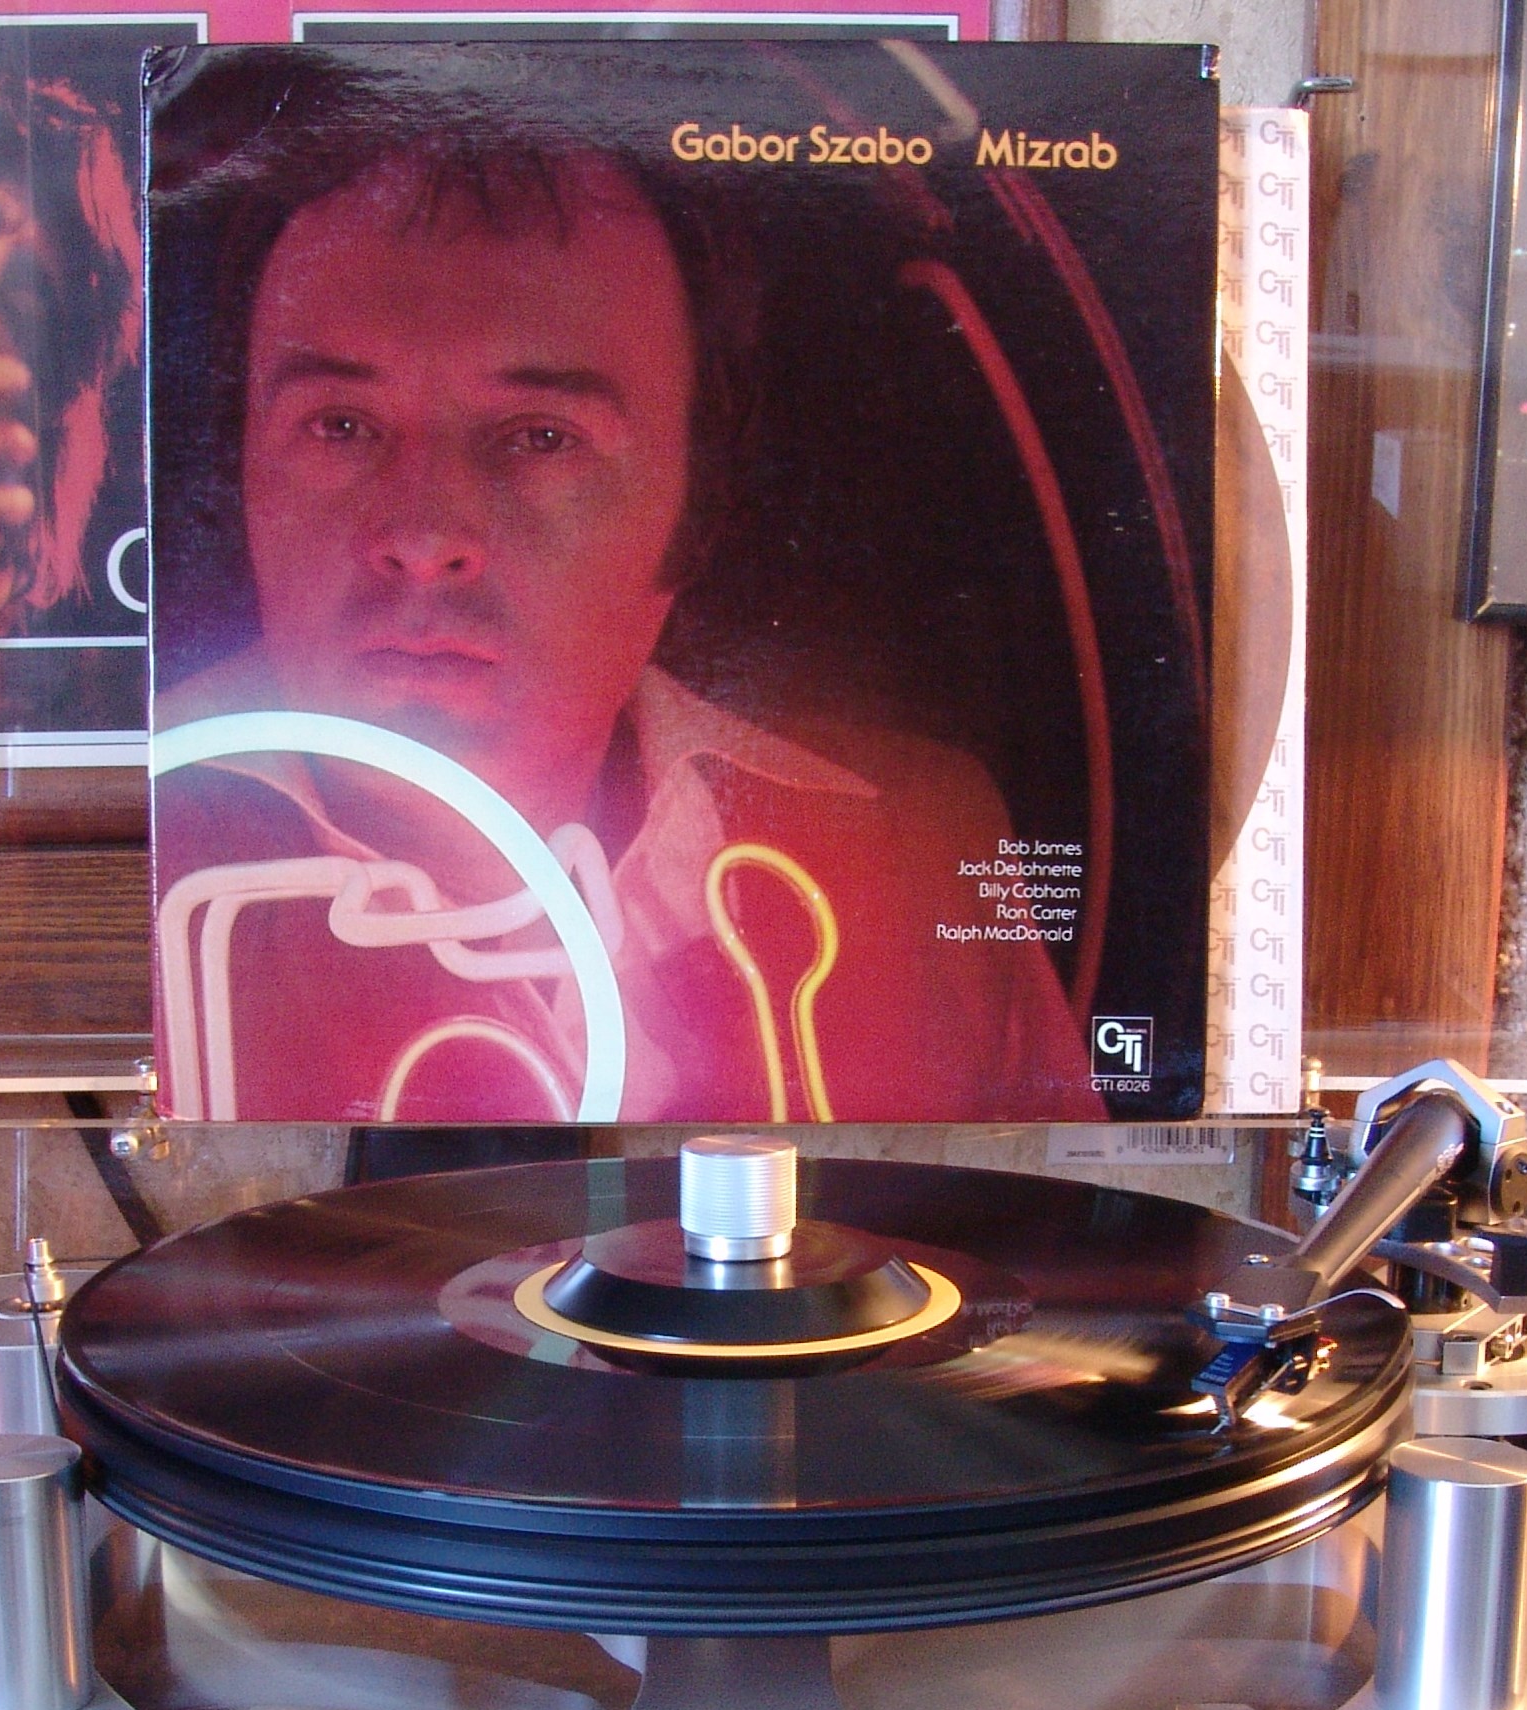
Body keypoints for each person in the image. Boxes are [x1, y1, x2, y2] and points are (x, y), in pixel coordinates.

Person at [151, 91, 1102, 1124]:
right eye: (340, 424)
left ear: (698, 499)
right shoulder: (106, 855)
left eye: (540, 437)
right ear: (240, 471)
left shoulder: (918, 846)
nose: (422, 534)